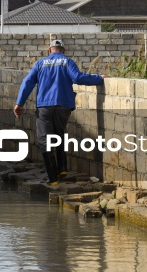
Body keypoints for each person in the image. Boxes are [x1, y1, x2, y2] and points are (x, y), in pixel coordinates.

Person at [14, 39, 106, 186]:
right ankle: (62, 168)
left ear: (49, 50)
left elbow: (27, 83)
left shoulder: (39, 64)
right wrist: (98, 78)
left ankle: (53, 178)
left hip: (45, 106)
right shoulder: (67, 62)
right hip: (64, 106)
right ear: (63, 50)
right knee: (59, 134)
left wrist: (19, 103)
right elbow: (78, 77)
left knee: (45, 140)